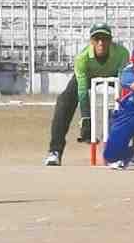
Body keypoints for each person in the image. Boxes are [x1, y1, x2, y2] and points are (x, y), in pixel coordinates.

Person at [44, 23, 129, 166]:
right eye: (97, 39)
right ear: (91, 41)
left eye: (104, 39)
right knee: (64, 101)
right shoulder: (82, 58)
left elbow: (122, 85)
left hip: (115, 76)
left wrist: (117, 112)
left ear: (110, 40)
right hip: (88, 77)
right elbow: (82, 92)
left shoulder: (122, 53)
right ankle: (55, 152)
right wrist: (86, 120)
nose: (101, 43)